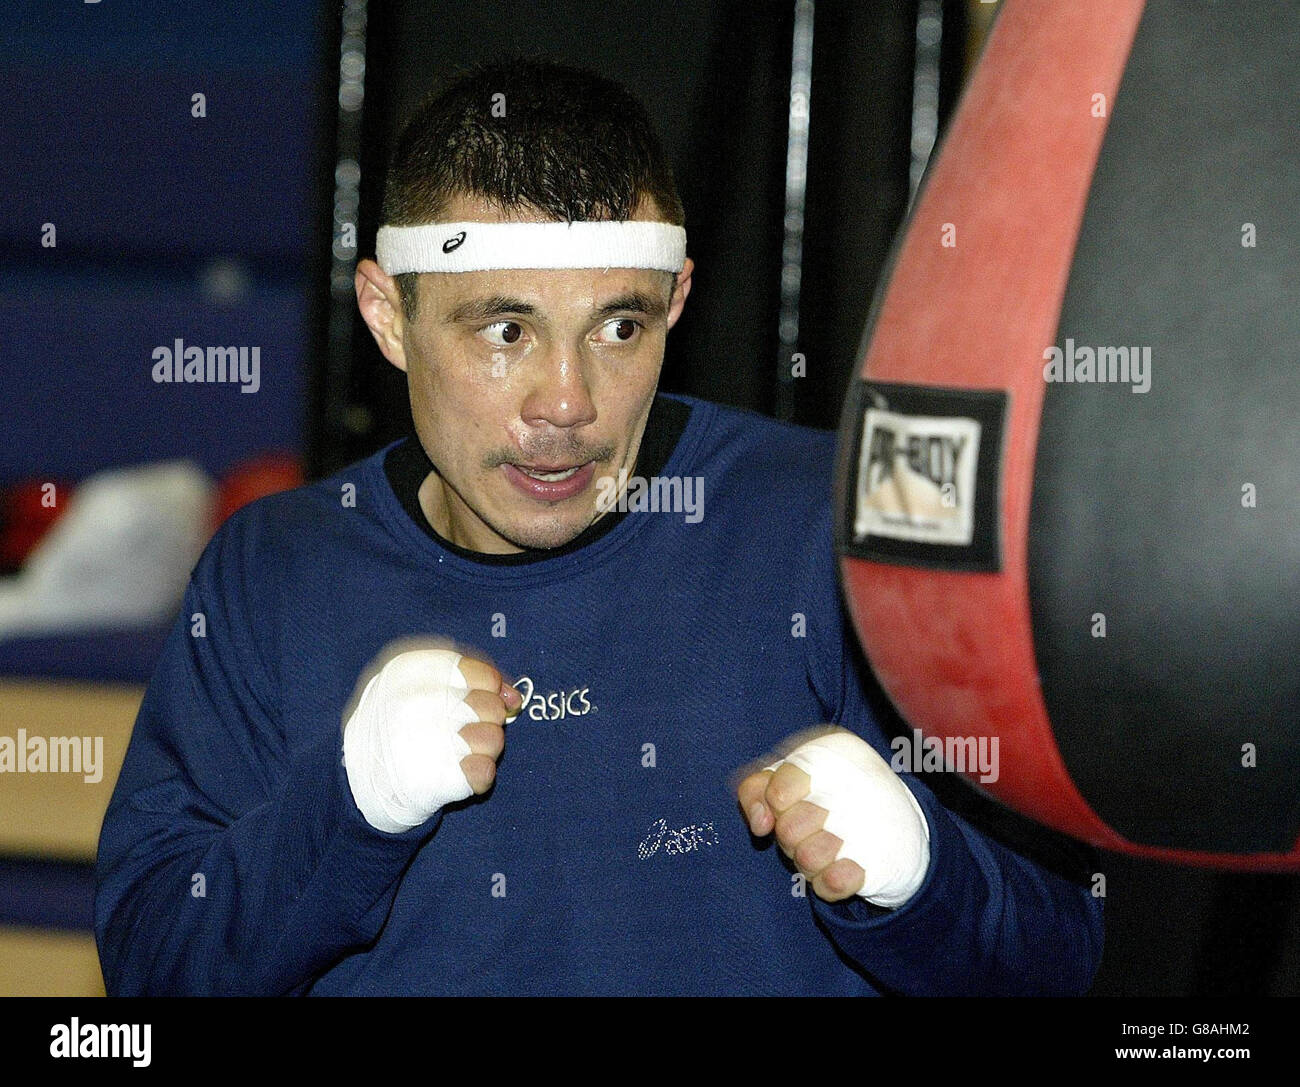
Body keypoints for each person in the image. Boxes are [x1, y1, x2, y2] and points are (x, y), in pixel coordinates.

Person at [94, 60, 1103, 996]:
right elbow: (149, 969)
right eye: (506, 330)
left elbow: (1065, 954)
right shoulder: (275, 570)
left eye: (620, 326)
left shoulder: (832, 533)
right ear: (388, 316)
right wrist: (346, 805)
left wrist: (924, 878)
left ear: (677, 303)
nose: (567, 403)